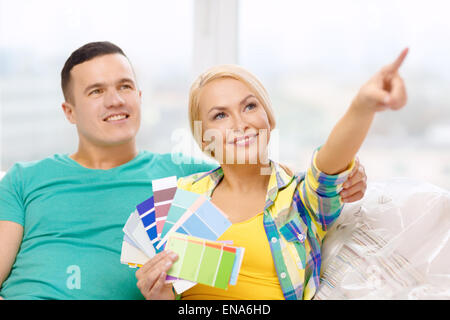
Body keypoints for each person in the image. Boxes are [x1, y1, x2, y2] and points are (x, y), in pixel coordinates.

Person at [0, 41, 367, 300]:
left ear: (139, 97)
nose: (115, 99)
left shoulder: (176, 180)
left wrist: (343, 170)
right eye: (96, 91)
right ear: (69, 111)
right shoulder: (22, 179)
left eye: (125, 86)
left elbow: (265, 171)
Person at [135, 48, 408, 300]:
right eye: (220, 115)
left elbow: (327, 168)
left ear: (269, 117)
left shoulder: (298, 200)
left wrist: (363, 105)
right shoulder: (180, 197)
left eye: (249, 106)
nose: (240, 123)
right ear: (204, 139)